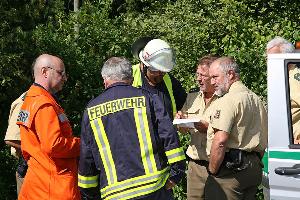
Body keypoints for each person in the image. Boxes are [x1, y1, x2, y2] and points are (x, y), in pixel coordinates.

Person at [78, 57, 186, 200]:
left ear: (105, 79)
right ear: (130, 77)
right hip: (154, 189)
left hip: (114, 193)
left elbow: (87, 157)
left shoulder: (91, 110)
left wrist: (90, 194)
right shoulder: (149, 98)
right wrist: (176, 173)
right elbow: (169, 137)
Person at [16, 54, 81, 200]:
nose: (65, 78)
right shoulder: (44, 104)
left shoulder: (30, 100)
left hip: (37, 185)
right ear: (45, 72)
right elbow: (54, 145)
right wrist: (82, 144)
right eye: (61, 73)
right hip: (53, 188)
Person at [205, 57, 268, 200]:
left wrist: (213, 171)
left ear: (231, 74)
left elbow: (220, 141)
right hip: (254, 168)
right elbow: (264, 136)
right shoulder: (256, 99)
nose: (212, 82)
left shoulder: (228, 101)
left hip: (230, 172)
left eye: (215, 77)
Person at [175, 55, 218, 200]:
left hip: (219, 165)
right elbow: (183, 129)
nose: (198, 79)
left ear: (213, 77)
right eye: (197, 74)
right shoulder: (192, 97)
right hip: (195, 165)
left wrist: (208, 128)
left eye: (203, 75)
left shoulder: (226, 98)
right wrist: (180, 120)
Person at [131, 37, 187, 118]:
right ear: (145, 65)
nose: (160, 74)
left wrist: (181, 115)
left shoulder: (170, 81)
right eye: (156, 70)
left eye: (163, 71)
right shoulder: (128, 77)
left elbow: (184, 105)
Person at [266, 36, 300, 144]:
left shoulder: (295, 78)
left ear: (286, 56)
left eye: (272, 59)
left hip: (293, 143)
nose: (267, 62)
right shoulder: (284, 76)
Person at [4, 92, 28, 195]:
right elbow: (12, 139)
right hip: (27, 170)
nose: (64, 78)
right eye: (60, 74)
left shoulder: (48, 99)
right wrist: (38, 153)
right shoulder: (25, 102)